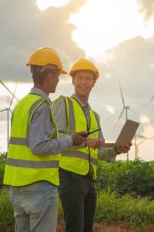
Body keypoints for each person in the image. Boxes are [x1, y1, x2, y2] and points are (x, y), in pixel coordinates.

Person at [3, 47, 87, 232]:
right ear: (49, 77)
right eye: (57, 76)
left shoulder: (22, 104)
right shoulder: (41, 106)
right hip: (39, 186)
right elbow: (39, 146)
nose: (58, 81)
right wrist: (70, 140)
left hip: (17, 187)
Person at [52, 58, 131, 232]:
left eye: (88, 79)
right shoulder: (63, 104)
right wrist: (85, 142)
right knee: (75, 227)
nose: (83, 82)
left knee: (87, 229)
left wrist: (116, 149)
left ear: (94, 83)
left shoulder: (95, 116)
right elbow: (54, 138)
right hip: (69, 176)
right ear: (73, 80)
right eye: (79, 78)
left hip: (89, 179)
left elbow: (100, 151)